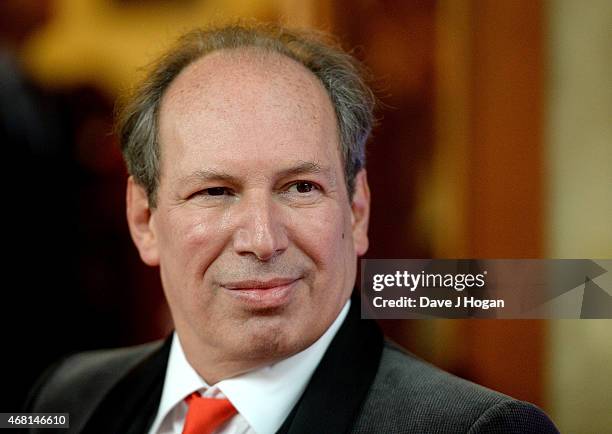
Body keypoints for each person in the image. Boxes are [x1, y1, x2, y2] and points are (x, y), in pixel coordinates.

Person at [25, 22, 559, 434]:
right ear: (144, 219)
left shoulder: (477, 429)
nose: (262, 239)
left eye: (301, 187)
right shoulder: (65, 399)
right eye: (215, 192)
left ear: (357, 210)